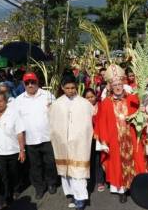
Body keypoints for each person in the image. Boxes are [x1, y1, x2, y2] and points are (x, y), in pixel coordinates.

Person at [95, 64, 146, 203]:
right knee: (117, 164)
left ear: (123, 84)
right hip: (115, 140)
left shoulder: (132, 98)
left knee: (136, 162)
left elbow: (140, 115)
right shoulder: (105, 103)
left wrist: (142, 111)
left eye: (119, 84)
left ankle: (134, 187)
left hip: (131, 137)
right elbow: (102, 123)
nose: (117, 87)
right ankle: (122, 190)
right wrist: (104, 141)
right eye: (114, 84)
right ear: (110, 86)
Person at [49, 76, 94, 210]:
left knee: (78, 172)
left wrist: (80, 136)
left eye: (73, 88)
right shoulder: (57, 104)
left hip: (80, 143)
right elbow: (53, 124)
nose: (70, 90)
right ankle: (73, 195)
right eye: (67, 88)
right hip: (62, 143)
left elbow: (88, 124)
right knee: (67, 172)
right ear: (62, 88)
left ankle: (80, 199)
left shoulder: (84, 103)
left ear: (76, 87)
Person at [13, 72, 58, 200]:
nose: (30, 85)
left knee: (50, 163)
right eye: (27, 83)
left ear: (38, 82)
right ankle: (39, 188)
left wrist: (52, 108)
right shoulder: (19, 100)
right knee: (34, 167)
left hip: (47, 137)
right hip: (30, 140)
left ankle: (51, 183)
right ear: (24, 84)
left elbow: (57, 114)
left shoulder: (48, 95)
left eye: (33, 82)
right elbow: (16, 121)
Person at [0, 91, 26, 209]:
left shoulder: (14, 114)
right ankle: (6, 196)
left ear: (5, 101)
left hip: (12, 150)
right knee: (3, 175)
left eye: (0, 101)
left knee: (14, 173)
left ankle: (16, 188)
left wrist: (22, 150)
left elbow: (20, 133)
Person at [83, 88, 106, 193]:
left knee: (98, 160)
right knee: (89, 160)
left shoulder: (101, 106)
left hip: (98, 137)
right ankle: (89, 180)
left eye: (92, 96)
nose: (90, 99)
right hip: (86, 138)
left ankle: (100, 181)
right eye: (87, 97)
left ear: (95, 96)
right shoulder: (82, 108)